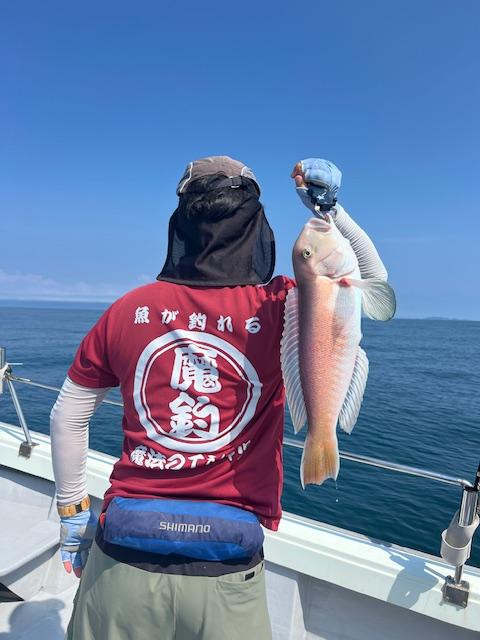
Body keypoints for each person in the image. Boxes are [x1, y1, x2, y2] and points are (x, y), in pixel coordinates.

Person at [50, 156, 388, 640]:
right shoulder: (280, 306)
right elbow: (372, 283)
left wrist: (72, 513)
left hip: (121, 563)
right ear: (255, 226)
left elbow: (68, 415)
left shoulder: (128, 310)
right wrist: (332, 211)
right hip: (228, 570)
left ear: (181, 225)